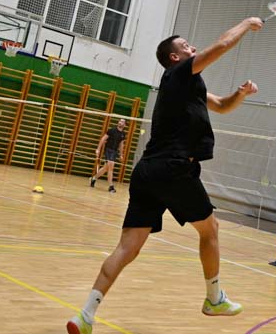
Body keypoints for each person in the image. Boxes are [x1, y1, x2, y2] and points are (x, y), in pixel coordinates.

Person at [66, 17, 263, 334]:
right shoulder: (178, 72)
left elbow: (222, 106)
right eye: (185, 46)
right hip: (173, 167)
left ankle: (85, 316)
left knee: (127, 248)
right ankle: (214, 298)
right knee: (210, 229)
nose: (192, 47)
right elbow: (223, 44)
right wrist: (246, 23)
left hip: (148, 171)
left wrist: (240, 94)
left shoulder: (189, 86)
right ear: (175, 57)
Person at [90, 118, 127, 193]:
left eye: (122, 122)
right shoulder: (112, 130)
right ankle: (111, 186)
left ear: (124, 125)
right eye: (120, 121)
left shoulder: (123, 134)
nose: (120, 122)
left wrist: (121, 154)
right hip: (108, 150)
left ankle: (94, 178)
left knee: (105, 168)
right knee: (111, 167)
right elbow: (103, 139)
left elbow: (121, 144)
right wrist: (98, 149)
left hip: (114, 152)